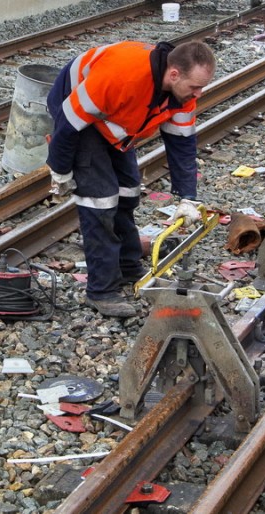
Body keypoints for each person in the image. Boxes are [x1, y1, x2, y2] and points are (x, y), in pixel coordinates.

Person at [45, 40, 216, 317]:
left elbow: (182, 144)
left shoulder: (182, 95)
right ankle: (101, 290)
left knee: (128, 192)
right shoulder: (121, 77)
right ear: (174, 74)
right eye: (195, 86)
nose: (199, 93)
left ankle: (127, 266)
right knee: (99, 201)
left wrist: (188, 197)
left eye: (201, 87)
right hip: (75, 110)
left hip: (116, 121)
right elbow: (68, 122)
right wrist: (61, 169)